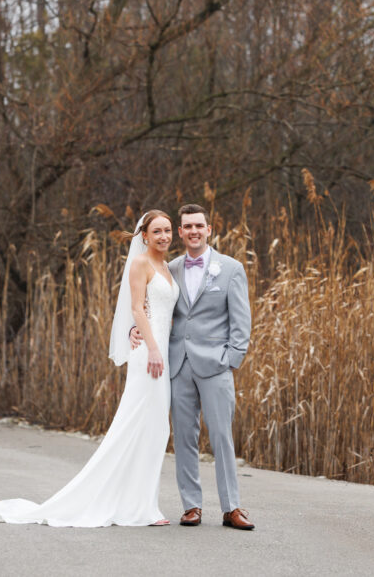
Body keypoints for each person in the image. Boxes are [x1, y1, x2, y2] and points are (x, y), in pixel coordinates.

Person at [0, 210, 179, 527]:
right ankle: (134, 508)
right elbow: (136, 308)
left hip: (160, 353)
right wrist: (153, 348)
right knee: (134, 426)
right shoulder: (140, 264)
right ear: (144, 235)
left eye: (168, 230)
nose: (164, 236)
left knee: (155, 429)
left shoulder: (167, 267)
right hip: (149, 356)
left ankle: (143, 504)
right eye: (157, 231)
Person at [131, 203, 254, 530]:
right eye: (187, 227)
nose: (193, 231)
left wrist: (231, 360)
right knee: (183, 436)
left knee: (222, 436)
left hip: (216, 366)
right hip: (178, 365)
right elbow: (151, 306)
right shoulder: (169, 267)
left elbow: (242, 322)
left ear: (209, 229)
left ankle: (231, 508)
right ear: (181, 232)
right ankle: (191, 506)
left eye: (199, 226)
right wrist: (134, 330)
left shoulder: (230, 269)